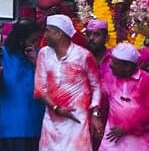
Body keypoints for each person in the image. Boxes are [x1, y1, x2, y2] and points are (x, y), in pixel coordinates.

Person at [34, 14, 103, 151]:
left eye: (48, 31)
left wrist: (95, 115)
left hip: (77, 121)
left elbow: (96, 86)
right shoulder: (44, 54)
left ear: (59, 34)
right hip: (52, 123)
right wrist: (56, 109)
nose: (45, 35)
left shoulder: (83, 56)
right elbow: (40, 88)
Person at [0, 18, 45, 151]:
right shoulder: (0, 55)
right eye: (32, 40)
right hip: (7, 126)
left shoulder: (40, 56)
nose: (35, 44)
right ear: (21, 39)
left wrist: (37, 63)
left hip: (34, 124)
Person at [99, 43, 149, 151]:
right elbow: (99, 98)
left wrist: (126, 127)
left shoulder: (148, 81)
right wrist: (95, 115)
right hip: (111, 139)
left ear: (127, 66)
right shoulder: (109, 78)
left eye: (115, 62)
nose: (111, 65)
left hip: (138, 142)